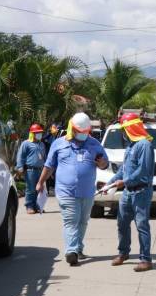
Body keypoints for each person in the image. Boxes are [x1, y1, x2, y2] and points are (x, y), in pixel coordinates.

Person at [36, 112, 109, 267]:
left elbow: (105, 164)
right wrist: (40, 182)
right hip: (65, 191)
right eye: (80, 132)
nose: (83, 135)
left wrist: (102, 163)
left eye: (85, 132)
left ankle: (78, 248)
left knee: (82, 222)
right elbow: (49, 166)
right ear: (72, 129)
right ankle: (71, 251)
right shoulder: (59, 144)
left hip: (87, 192)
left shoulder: (95, 144)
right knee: (71, 221)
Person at [106, 112, 155, 272]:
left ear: (132, 128)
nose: (123, 133)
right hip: (128, 192)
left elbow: (143, 172)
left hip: (141, 192)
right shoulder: (130, 146)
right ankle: (123, 253)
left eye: (125, 129)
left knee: (141, 225)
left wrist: (124, 182)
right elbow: (124, 170)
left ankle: (145, 259)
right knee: (122, 223)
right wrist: (110, 183)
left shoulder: (144, 145)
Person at [16, 123, 47, 214]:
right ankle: (29, 206)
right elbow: (20, 156)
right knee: (31, 189)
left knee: (40, 188)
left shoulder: (41, 144)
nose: (39, 134)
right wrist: (20, 167)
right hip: (30, 170)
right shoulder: (26, 143)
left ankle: (38, 206)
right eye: (37, 132)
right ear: (32, 134)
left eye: (40, 132)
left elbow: (44, 157)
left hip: (40, 170)